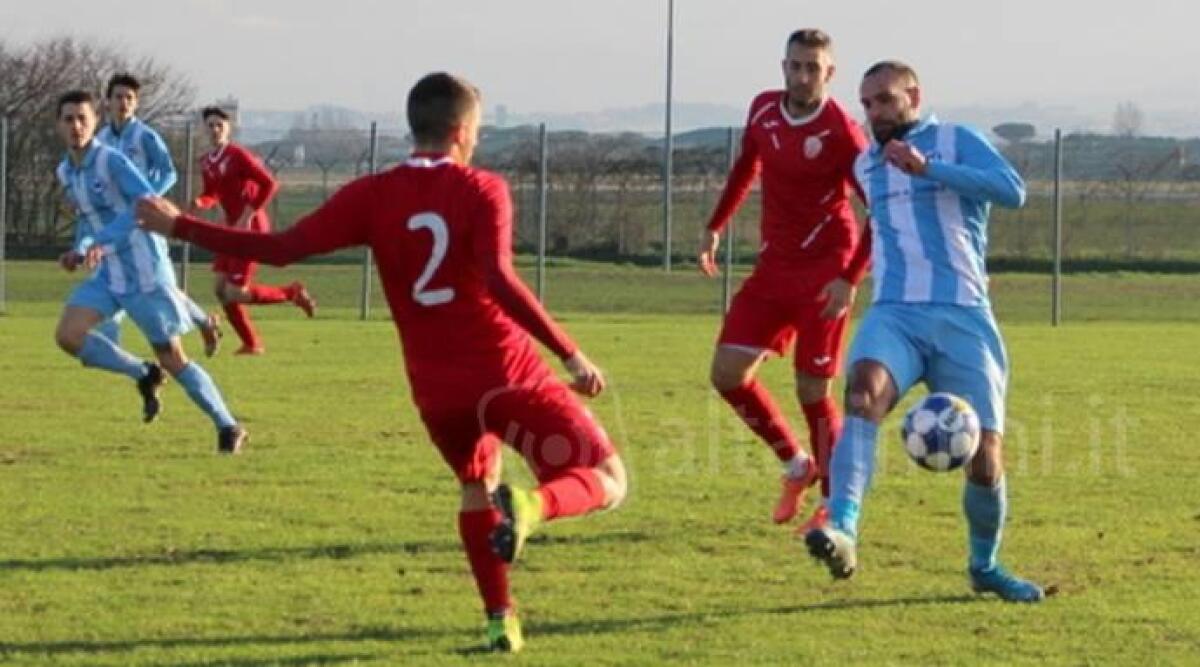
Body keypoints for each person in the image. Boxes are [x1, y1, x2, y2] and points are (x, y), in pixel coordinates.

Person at [138, 73, 628, 652]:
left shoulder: (372, 194)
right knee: (609, 480)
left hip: (435, 389)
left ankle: (501, 620)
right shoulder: (483, 187)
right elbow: (500, 279)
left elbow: (284, 247)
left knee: (476, 484)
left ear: (413, 127)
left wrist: (180, 226)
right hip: (505, 373)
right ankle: (533, 505)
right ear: (465, 130)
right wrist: (570, 353)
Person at [803, 61, 1045, 602]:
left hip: (963, 316)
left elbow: (1013, 191)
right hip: (895, 314)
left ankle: (984, 565)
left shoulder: (957, 140)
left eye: (884, 100)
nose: (875, 113)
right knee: (862, 393)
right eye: (866, 104)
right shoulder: (866, 164)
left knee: (985, 457)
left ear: (913, 95)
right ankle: (843, 528)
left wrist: (928, 167)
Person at [698, 29, 870, 531]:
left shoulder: (843, 132)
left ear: (829, 73)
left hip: (824, 271)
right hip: (774, 268)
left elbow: (877, 209)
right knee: (726, 374)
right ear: (783, 67)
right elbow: (745, 167)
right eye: (794, 66)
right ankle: (797, 464)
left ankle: (833, 509)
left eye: (812, 68)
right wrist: (714, 226)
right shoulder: (763, 109)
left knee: (813, 390)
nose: (801, 76)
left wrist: (848, 278)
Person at [52, 90, 246, 454]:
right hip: (109, 273)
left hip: (143, 272)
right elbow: (86, 221)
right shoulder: (66, 170)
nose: (76, 126)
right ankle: (144, 373)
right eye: (68, 119)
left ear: (95, 122)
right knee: (68, 335)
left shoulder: (110, 161)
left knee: (173, 358)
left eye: (83, 118)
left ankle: (228, 425)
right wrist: (79, 251)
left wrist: (101, 240)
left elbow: (146, 203)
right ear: (58, 125)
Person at [93, 73, 222, 357]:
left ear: (136, 103)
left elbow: (169, 172)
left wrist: (147, 196)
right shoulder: (100, 138)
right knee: (114, 278)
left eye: (129, 98)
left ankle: (203, 322)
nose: (123, 103)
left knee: (163, 287)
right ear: (108, 101)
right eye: (118, 97)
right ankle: (111, 343)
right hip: (115, 223)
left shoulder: (144, 135)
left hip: (144, 221)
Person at [193, 105, 315, 355]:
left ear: (229, 129)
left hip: (251, 227)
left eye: (220, 125)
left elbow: (270, 184)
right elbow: (212, 193)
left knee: (236, 291)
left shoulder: (238, 155)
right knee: (220, 289)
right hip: (232, 228)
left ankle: (291, 293)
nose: (215, 129)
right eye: (210, 125)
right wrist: (200, 202)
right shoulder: (206, 161)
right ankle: (251, 343)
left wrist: (248, 215)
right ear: (203, 129)